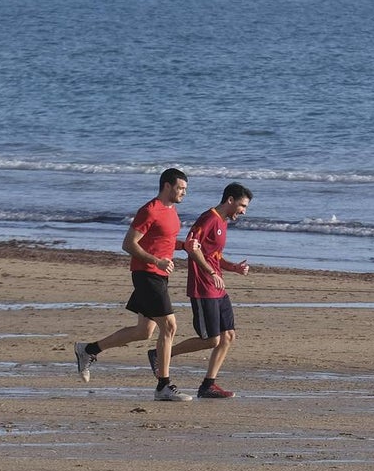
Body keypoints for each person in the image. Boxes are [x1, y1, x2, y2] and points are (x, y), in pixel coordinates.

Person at [74, 168, 193, 402]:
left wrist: (183, 246)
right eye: (180, 188)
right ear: (167, 186)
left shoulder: (172, 210)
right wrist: (156, 260)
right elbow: (128, 244)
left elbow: (162, 240)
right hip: (146, 273)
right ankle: (163, 386)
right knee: (169, 326)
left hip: (159, 275)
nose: (183, 193)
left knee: (144, 331)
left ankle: (88, 350)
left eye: (186, 190)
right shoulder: (149, 210)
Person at [148, 182, 253, 399]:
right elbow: (191, 246)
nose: (243, 211)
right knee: (211, 339)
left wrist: (233, 268)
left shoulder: (223, 223)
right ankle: (160, 354)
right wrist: (210, 273)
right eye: (242, 206)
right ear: (230, 200)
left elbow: (215, 256)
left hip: (217, 287)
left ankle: (208, 385)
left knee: (228, 336)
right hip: (203, 288)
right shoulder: (209, 218)